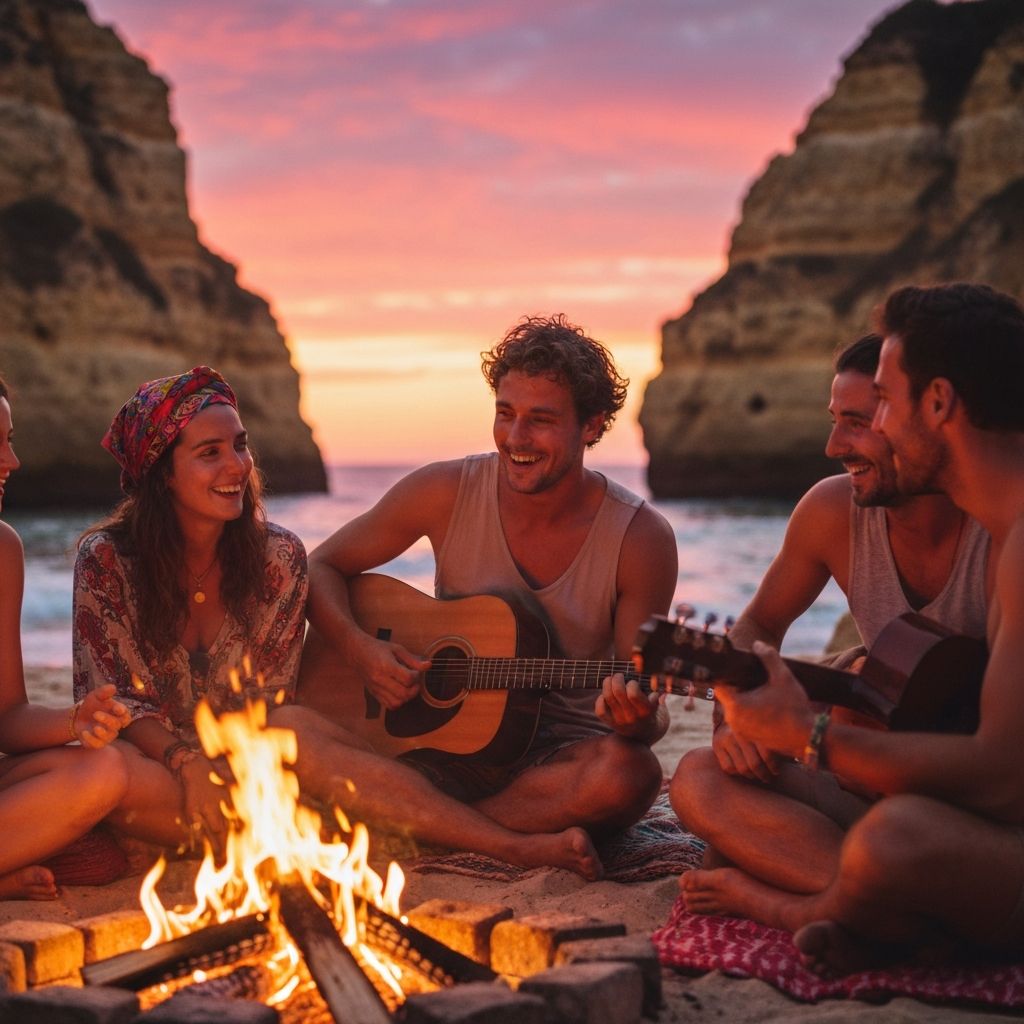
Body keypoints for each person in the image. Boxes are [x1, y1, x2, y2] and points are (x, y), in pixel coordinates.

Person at [685, 282, 1024, 974]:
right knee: (698, 778)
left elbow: (1003, 777)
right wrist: (747, 720)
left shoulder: (1011, 543)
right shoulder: (1007, 530)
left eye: (883, 405)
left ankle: (812, 905)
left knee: (895, 838)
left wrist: (807, 736)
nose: (851, 437)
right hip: (940, 795)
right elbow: (761, 624)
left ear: (938, 405)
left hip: (986, 815)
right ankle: (890, 910)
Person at [292, 314, 678, 880]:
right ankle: (499, 840)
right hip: (434, 752)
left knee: (631, 776)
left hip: (554, 762)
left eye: (541, 420)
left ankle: (424, 822)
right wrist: (359, 652)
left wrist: (639, 717)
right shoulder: (443, 492)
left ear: (591, 427)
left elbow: (642, 696)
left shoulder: (641, 539)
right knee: (286, 731)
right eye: (505, 414)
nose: (515, 439)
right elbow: (320, 565)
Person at [73, 367, 308, 852]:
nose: (237, 466)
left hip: (244, 763)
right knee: (108, 776)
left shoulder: (279, 559)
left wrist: (222, 770)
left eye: (240, 446)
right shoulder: (106, 560)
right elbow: (116, 703)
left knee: (308, 743)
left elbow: (270, 701)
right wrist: (186, 762)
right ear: (163, 476)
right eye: (210, 454)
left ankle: (230, 837)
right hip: (151, 768)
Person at [0, 373, 130, 899]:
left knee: (102, 773)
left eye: (8, 440)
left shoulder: (3, 551)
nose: (12, 462)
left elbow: (7, 719)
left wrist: (74, 721)